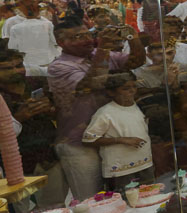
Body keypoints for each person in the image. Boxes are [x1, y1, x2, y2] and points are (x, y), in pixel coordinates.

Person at [48, 21, 145, 200]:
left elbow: (136, 61)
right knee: (92, 200)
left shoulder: (99, 54)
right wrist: (104, 48)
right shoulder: (59, 67)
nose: (86, 40)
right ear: (61, 43)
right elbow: (94, 83)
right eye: (77, 37)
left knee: (124, 194)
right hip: (79, 143)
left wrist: (133, 37)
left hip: (113, 138)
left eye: (88, 34)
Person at [0, 46, 59, 205]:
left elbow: (60, 112)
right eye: (7, 68)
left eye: (19, 65)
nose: (16, 71)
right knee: (22, 212)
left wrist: (49, 109)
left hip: (49, 155)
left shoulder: (36, 82)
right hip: (16, 165)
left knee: (55, 206)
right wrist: (20, 117)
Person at [82, 72, 153, 188]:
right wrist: (121, 140)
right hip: (120, 170)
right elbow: (88, 140)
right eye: (126, 89)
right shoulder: (105, 113)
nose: (132, 91)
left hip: (144, 164)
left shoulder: (137, 106)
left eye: (134, 87)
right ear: (111, 92)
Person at [6, 0, 59, 77]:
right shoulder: (47, 24)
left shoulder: (15, 28)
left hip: (28, 63)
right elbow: (55, 42)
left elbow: (12, 47)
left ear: (22, 11)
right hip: (47, 59)